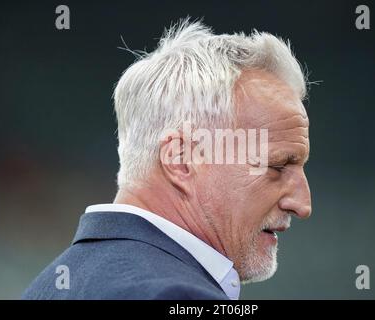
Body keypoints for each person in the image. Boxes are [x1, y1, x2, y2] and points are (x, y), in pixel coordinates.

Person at [22, 18, 311, 300]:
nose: (302, 204)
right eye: (277, 166)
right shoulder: (178, 296)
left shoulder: (47, 287)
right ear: (182, 160)